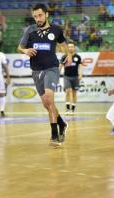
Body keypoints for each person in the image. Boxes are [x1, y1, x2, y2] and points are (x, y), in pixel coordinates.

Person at [17, 3, 70, 147]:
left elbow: (64, 44)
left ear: (46, 14)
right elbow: (20, 47)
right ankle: (62, 123)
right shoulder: (30, 31)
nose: (37, 19)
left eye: (40, 15)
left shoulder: (56, 30)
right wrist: (25, 51)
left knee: (49, 98)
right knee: (47, 104)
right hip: (36, 71)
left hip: (51, 68)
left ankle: (54, 135)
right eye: (35, 16)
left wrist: (68, 54)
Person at [59, 42, 83, 114]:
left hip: (75, 77)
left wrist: (80, 74)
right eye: (69, 47)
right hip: (67, 77)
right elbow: (60, 66)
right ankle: (67, 109)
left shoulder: (78, 57)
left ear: (74, 48)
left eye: (72, 47)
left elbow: (80, 66)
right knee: (68, 91)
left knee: (74, 93)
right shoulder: (64, 57)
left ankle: (72, 110)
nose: (70, 48)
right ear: (67, 48)